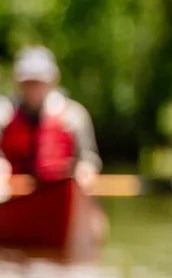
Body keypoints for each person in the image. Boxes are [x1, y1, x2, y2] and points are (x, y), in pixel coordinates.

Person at [0, 46, 103, 201]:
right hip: (12, 195)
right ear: (19, 83)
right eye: (28, 83)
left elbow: (88, 159)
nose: (33, 89)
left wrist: (85, 172)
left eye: (38, 83)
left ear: (52, 81)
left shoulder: (73, 115)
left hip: (59, 193)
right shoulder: (4, 115)